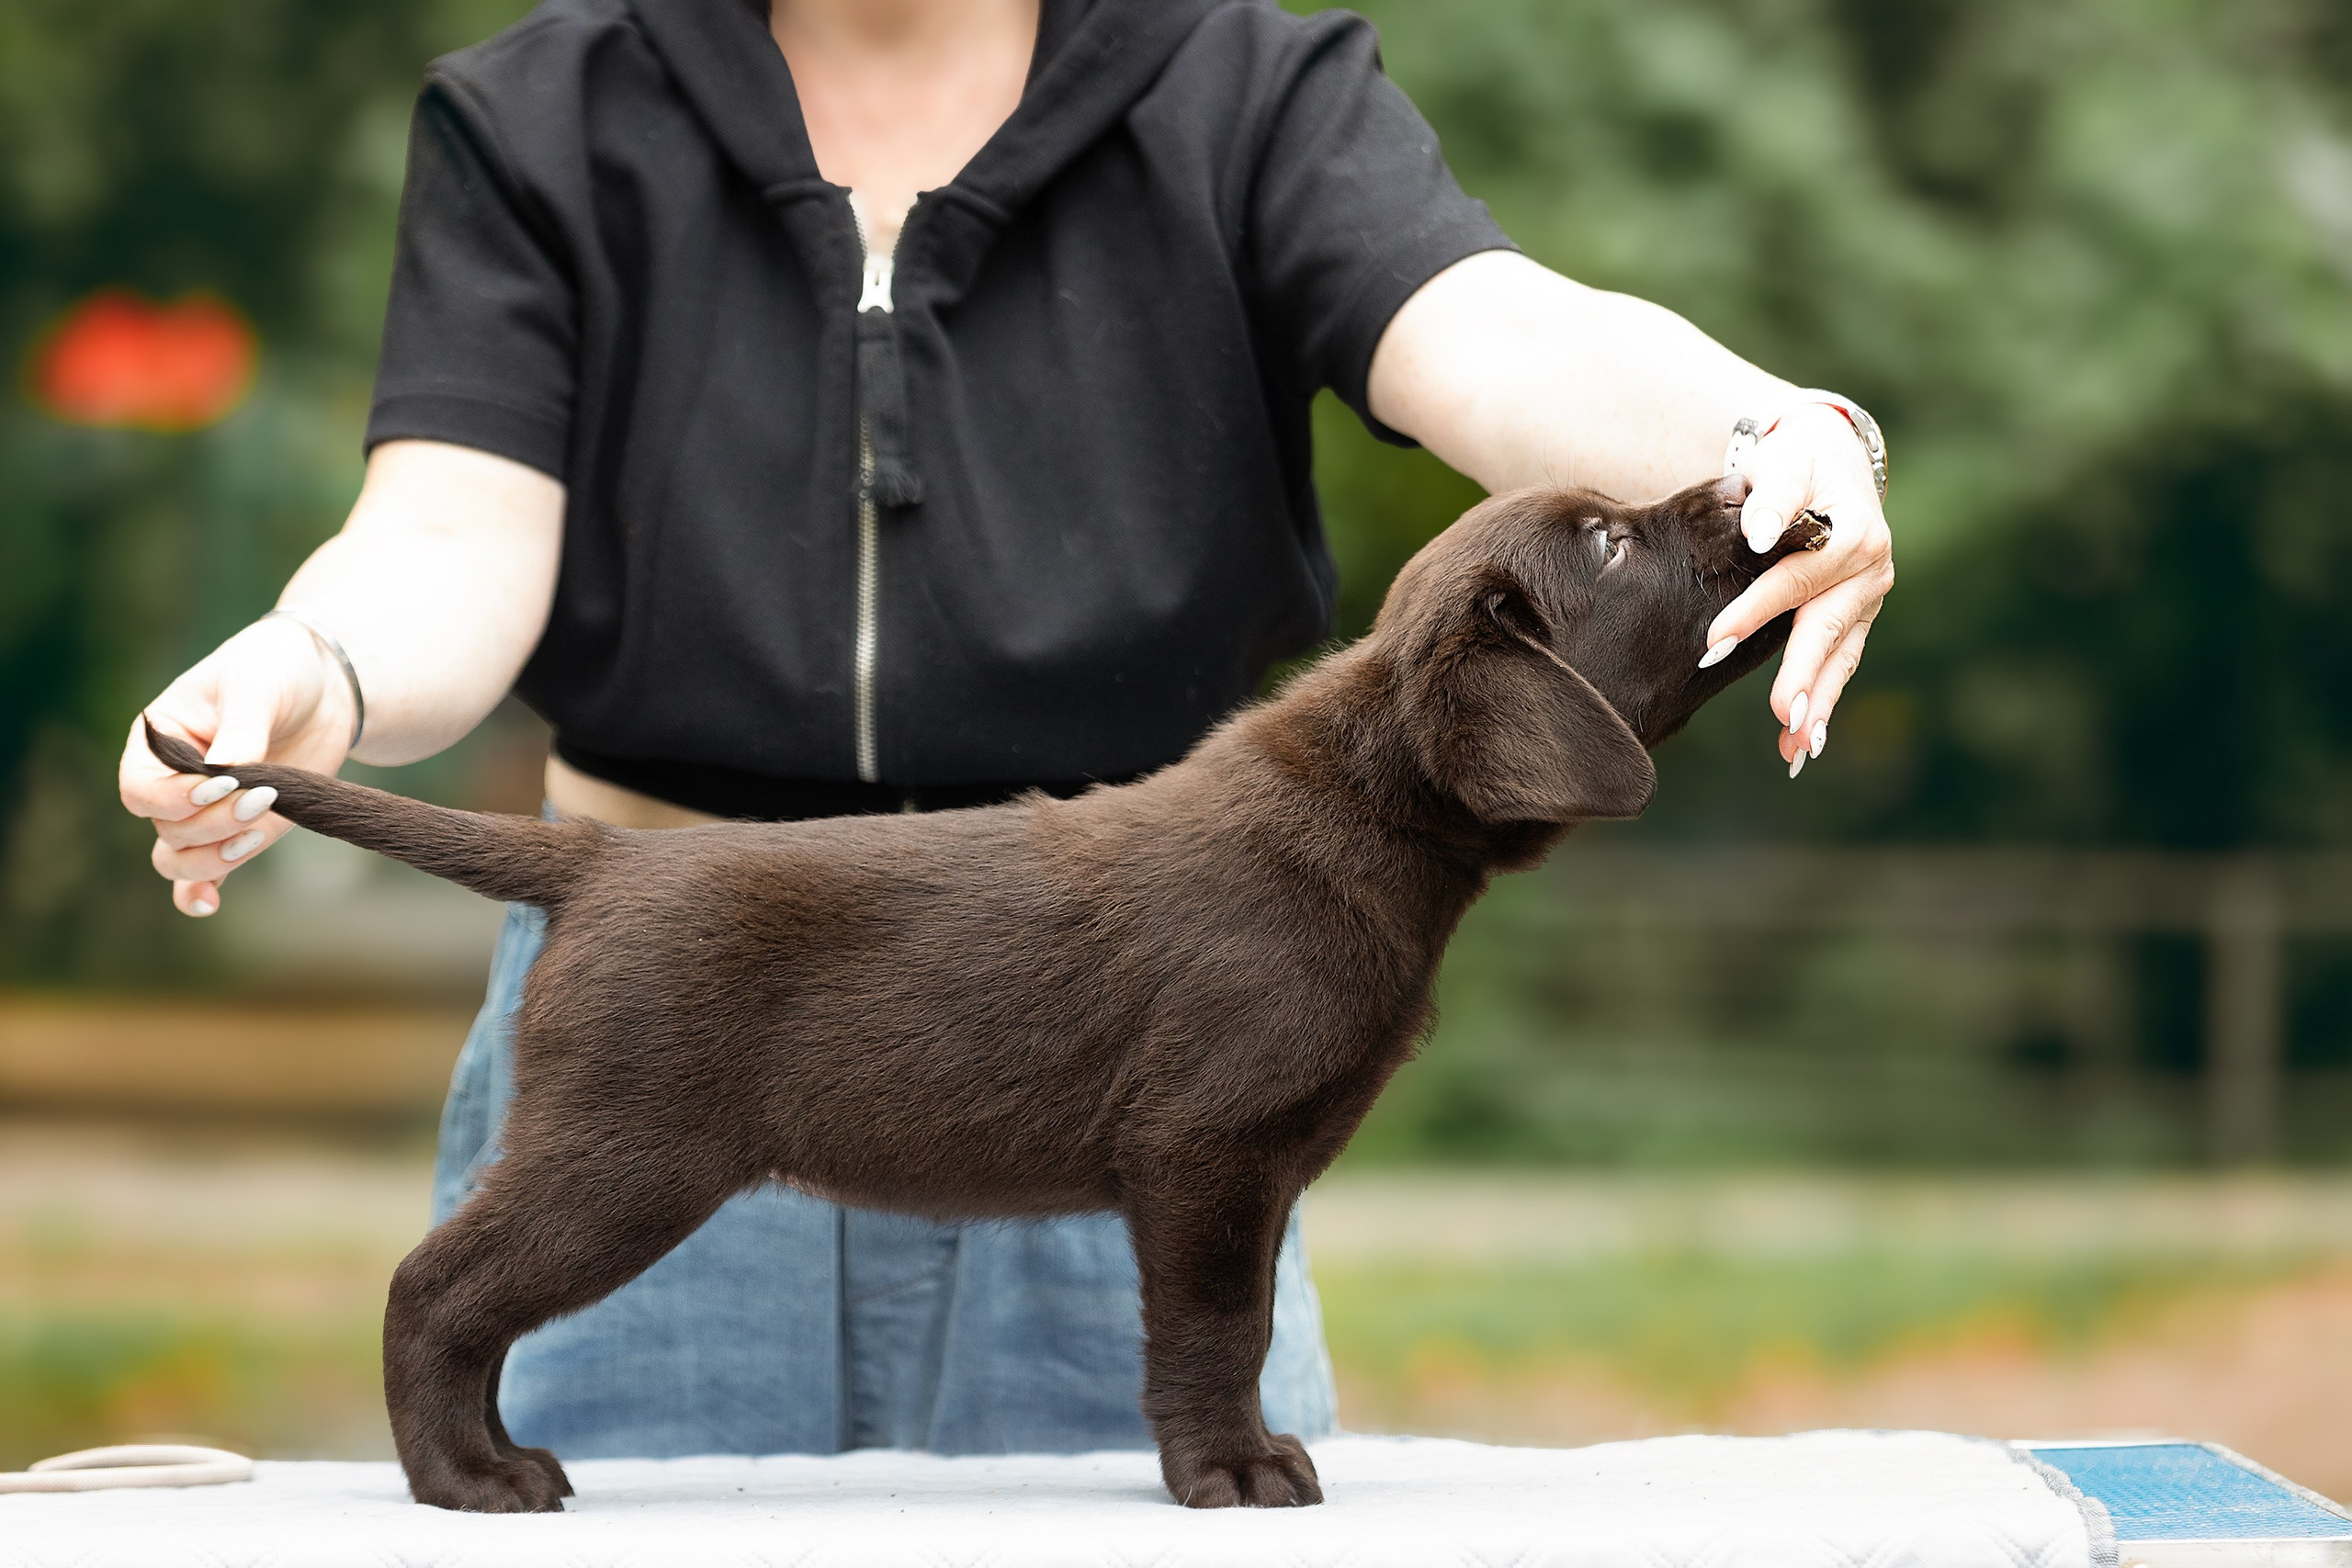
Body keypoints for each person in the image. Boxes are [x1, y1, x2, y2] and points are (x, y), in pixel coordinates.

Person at [119, 0, 1894, 1458]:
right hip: (688, 959)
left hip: (1140, 991)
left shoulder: (1242, 83)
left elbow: (1503, 344)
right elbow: (451, 531)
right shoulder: (545, 113)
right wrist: (314, 671)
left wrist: (1771, 437)